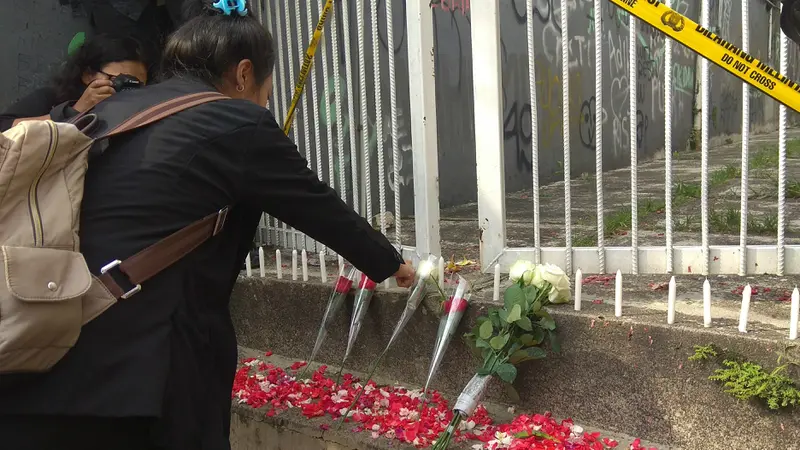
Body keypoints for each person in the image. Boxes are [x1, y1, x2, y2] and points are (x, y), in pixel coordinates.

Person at [0, 1, 415, 449]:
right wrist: (392, 265)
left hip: (31, 349)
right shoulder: (236, 120)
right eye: (268, 87)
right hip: (139, 376)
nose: (266, 99)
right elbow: (320, 209)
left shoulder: (100, 114)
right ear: (243, 74)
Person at [0, 34, 148, 133]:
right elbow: (5, 128)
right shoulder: (52, 98)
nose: (129, 93)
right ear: (88, 75)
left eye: (137, 86)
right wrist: (74, 112)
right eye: (120, 81)